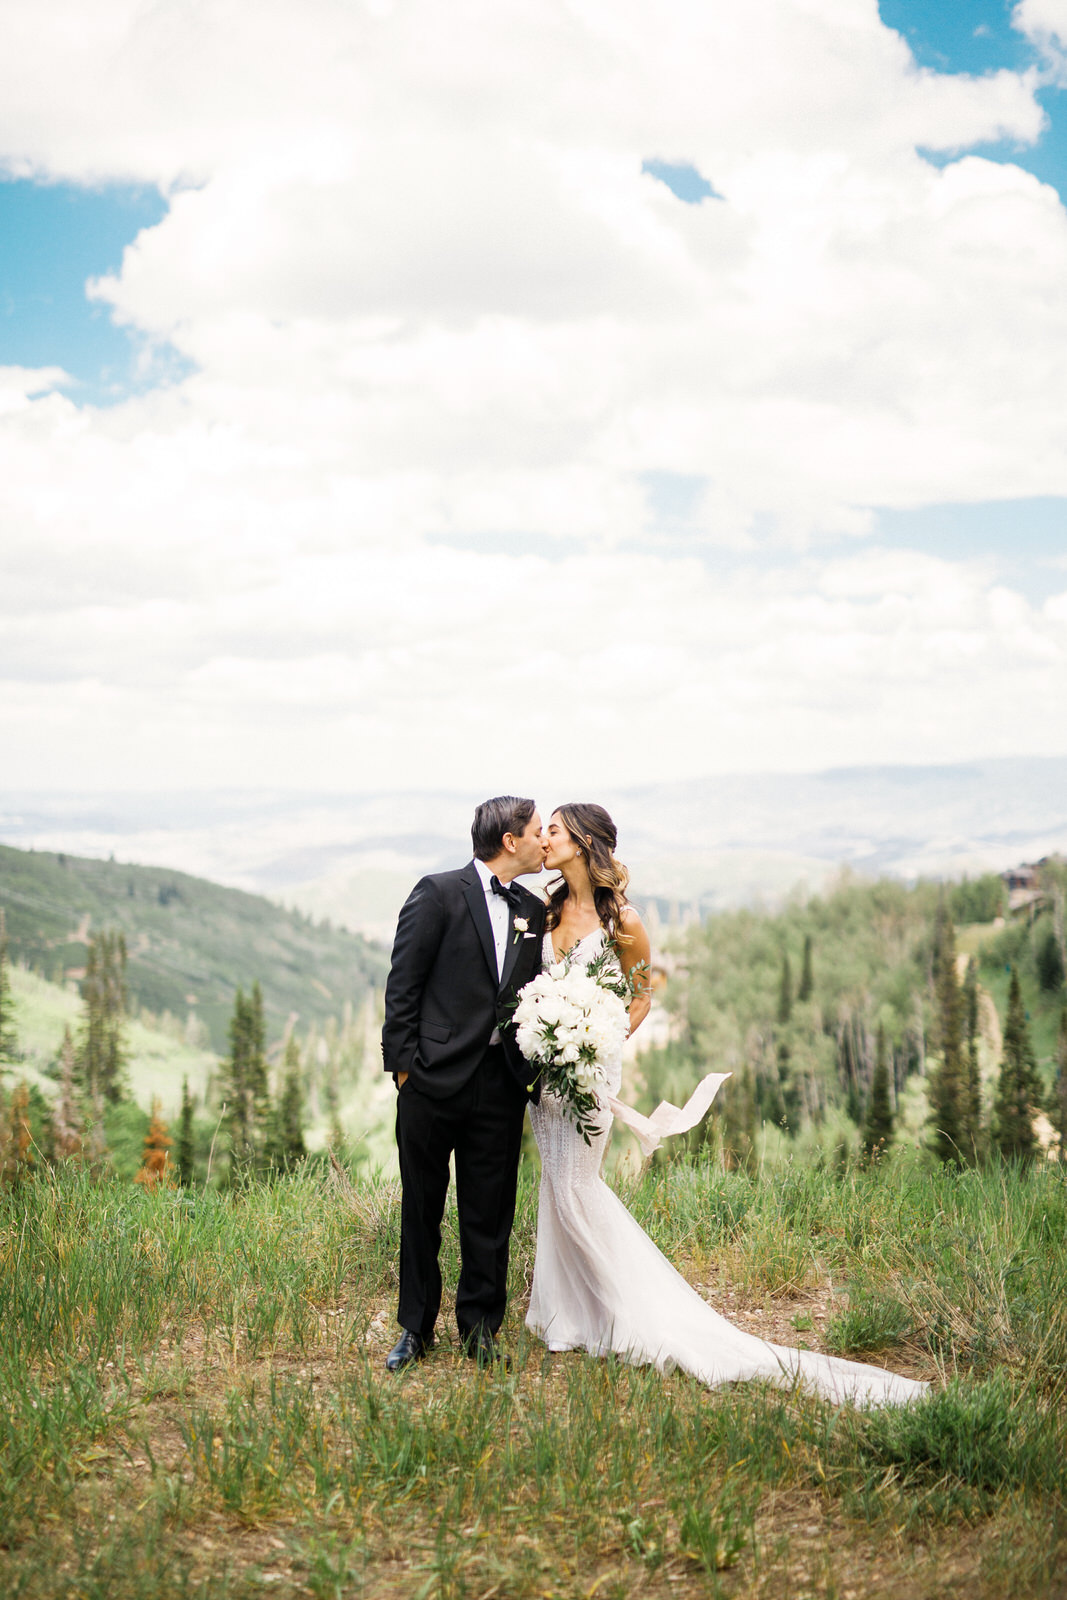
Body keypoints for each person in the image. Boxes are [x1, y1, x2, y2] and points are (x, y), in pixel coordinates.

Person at [526, 803, 927, 1408]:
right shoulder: (549, 910)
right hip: (545, 1080)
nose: (544, 839)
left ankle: (622, 1311)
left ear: (582, 842)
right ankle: (566, 1312)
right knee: (553, 1187)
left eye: (553, 830)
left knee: (578, 1184)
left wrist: (593, 1048)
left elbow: (640, 1000)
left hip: (587, 1078)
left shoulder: (624, 923)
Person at [381, 795, 548, 1371]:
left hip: (500, 1087)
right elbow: (403, 983)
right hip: (430, 1082)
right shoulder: (437, 892)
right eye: (534, 832)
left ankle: (480, 1331)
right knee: (421, 1209)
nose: (541, 841)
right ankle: (415, 1330)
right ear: (509, 841)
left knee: (489, 1213)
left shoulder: (533, 907)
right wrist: (405, 1070)